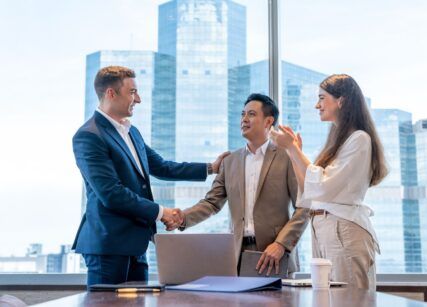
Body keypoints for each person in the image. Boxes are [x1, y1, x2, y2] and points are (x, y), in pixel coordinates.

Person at [72, 66, 228, 287]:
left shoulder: (131, 132)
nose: (139, 99)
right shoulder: (89, 135)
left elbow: (162, 167)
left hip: (137, 244)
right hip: (108, 247)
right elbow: (111, 193)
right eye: (133, 92)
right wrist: (161, 212)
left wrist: (211, 168)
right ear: (110, 93)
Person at [164, 93, 308, 276]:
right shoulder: (230, 161)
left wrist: (281, 244)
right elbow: (211, 203)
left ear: (268, 121)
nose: (244, 119)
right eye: (242, 114)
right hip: (237, 255)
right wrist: (183, 217)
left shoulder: (286, 156)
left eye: (251, 114)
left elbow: (304, 206)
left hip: (274, 255)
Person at [271, 74, 388, 290]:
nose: (317, 105)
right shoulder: (339, 142)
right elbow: (310, 189)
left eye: (322, 98)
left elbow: (322, 185)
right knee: (328, 298)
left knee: (350, 298)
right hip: (324, 228)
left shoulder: (360, 139)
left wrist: (293, 149)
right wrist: (292, 151)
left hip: (342, 229)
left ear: (341, 101)